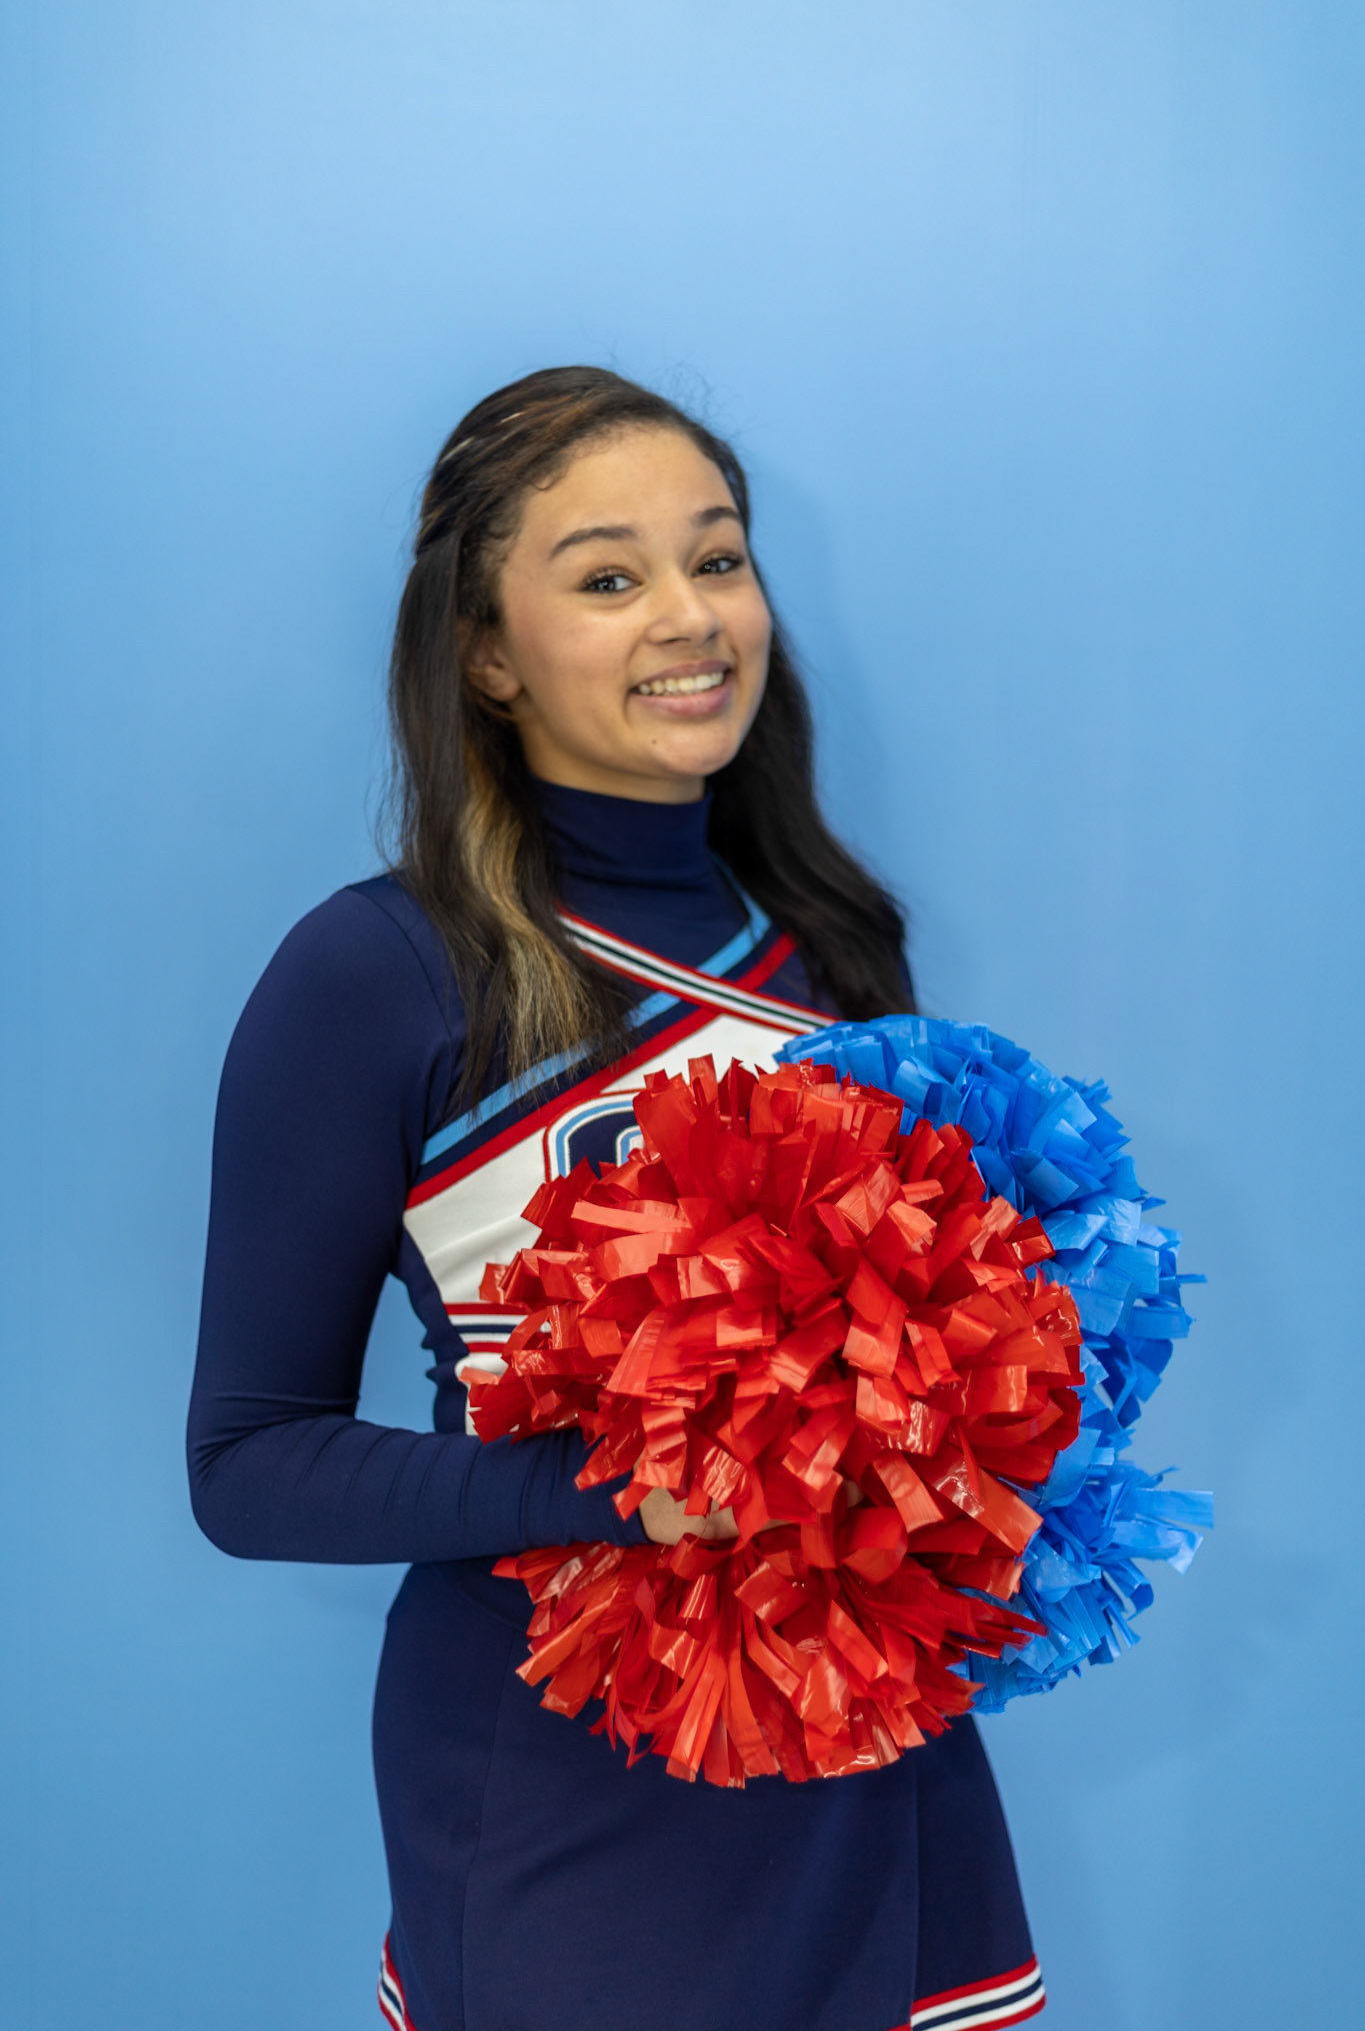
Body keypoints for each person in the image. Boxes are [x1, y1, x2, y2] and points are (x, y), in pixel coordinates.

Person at [187, 367, 1045, 2031]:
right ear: (485, 654)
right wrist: (621, 1493)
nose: (690, 617)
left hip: (871, 1738)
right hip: (562, 1763)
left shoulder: (832, 953)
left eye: (717, 560)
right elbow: (247, 1465)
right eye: (607, 574)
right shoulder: (376, 974)